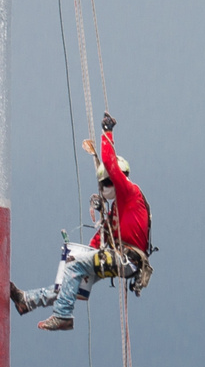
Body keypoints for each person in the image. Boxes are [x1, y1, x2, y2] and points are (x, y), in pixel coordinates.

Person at [10, 112, 152, 331]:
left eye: (108, 181)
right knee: (72, 276)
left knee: (74, 265)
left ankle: (63, 315)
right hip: (120, 257)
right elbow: (101, 239)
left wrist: (107, 132)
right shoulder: (117, 210)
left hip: (127, 259)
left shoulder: (130, 192)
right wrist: (84, 253)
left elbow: (110, 163)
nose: (105, 186)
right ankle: (27, 301)